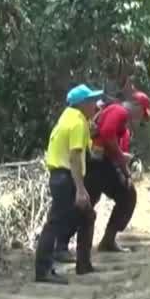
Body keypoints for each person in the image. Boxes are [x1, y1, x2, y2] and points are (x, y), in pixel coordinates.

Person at [56, 91, 150, 257]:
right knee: (126, 195)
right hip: (99, 163)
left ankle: (66, 244)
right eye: (143, 114)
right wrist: (121, 160)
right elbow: (107, 134)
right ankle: (66, 245)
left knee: (89, 203)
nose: (141, 119)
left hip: (100, 163)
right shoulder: (119, 111)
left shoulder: (122, 121)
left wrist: (123, 163)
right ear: (136, 106)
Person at [34, 85, 104, 284]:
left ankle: (83, 264)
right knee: (55, 222)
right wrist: (81, 189)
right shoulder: (77, 122)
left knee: (86, 216)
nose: (95, 105)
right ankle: (43, 270)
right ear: (81, 104)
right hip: (66, 177)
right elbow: (74, 156)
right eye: (91, 101)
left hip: (61, 176)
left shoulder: (68, 118)